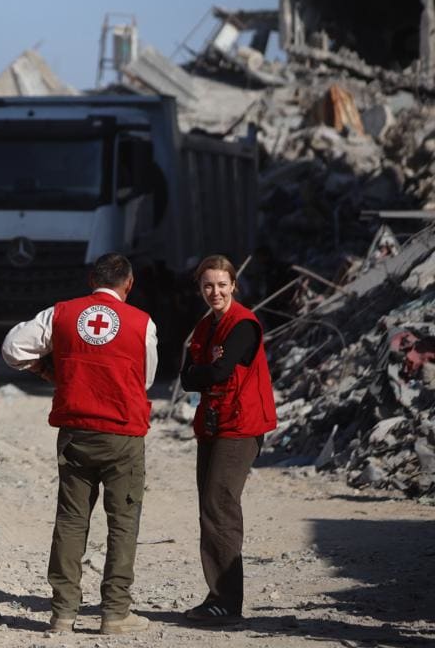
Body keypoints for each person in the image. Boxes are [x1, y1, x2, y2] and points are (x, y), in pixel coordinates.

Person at [1, 253, 157, 635]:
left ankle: (63, 613)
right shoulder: (142, 322)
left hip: (76, 432)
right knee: (123, 522)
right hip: (122, 433)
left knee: (71, 520)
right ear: (129, 284)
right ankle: (115, 613)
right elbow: (147, 380)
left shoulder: (61, 313)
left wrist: (44, 368)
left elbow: (12, 349)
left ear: (92, 280)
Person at [180, 255, 276, 625]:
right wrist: (206, 369)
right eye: (208, 285)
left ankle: (226, 602)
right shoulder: (206, 328)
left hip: (240, 426)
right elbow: (188, 377)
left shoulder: (244, 325)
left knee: (220, 506)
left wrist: (206, 368)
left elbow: (217, 373)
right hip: (215, 424)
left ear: (234, 285)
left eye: (222, 284)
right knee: (209, 505)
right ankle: (218, 596)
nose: (215, 292)